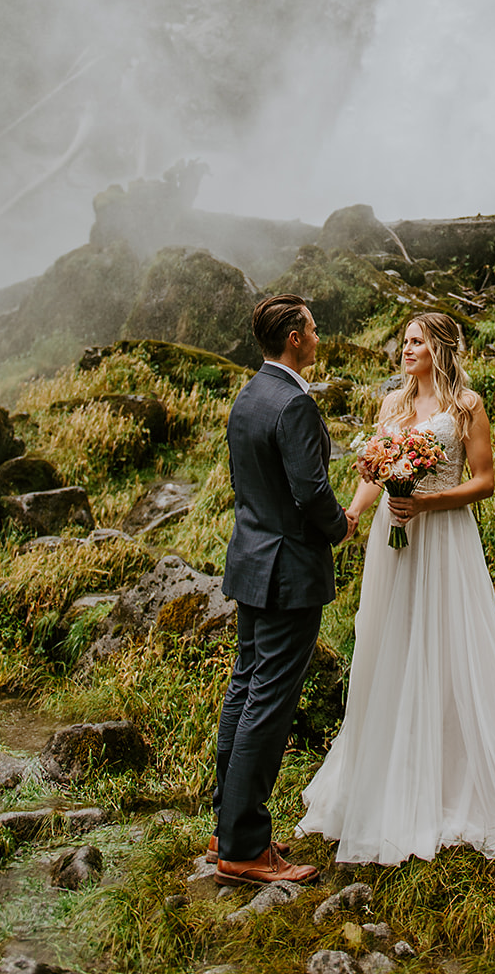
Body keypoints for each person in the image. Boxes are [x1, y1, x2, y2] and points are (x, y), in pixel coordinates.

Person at [299, 311, 495, 864]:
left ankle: (455, 777)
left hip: (443, 537)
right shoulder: (392, 405)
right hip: (394, 534)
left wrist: (427, 502)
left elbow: (483, 481)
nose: (404, 349)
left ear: (439, 348)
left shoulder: (467, 406)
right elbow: (372, 471)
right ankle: (386, 776)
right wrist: (354, 517)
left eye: (415, 341)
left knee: (448, 646)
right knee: (388, 643)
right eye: (403, 340)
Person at [210, 294, 353, 887]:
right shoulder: (293, 402)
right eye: (314, 330)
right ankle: (244, 848)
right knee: (268, 701)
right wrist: (341, 525)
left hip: (251, 561)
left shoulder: (249, 395)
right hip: (289, 571)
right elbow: (310, 493)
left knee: (245, 689)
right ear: (294, 337)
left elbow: (250, 483)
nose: (319, 338)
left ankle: (228, 827)